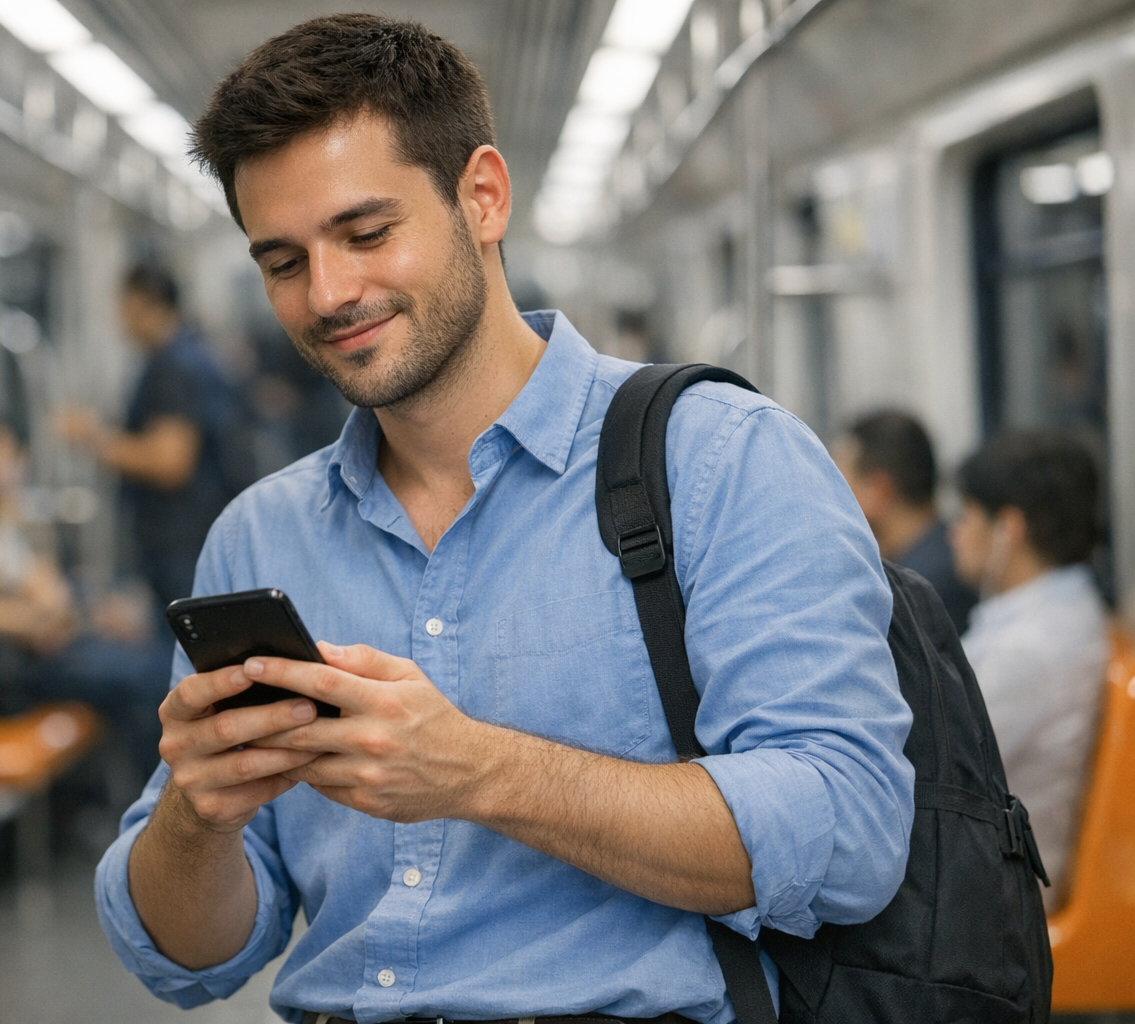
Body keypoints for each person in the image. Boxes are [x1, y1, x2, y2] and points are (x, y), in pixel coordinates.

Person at [95, 16, 913, 1024]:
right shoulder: (260, 539)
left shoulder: (722, 459)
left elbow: (849, 830)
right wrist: (196, 814)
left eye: (366, 233)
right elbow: (192, 959)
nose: (330, 293)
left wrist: (481, 771)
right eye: (283, 262)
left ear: (482, 196)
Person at [0, 415, 172, 777]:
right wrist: (44, 614)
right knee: (145, 679)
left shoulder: (1, 520)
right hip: (20, 671)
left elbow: (48, 590)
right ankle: (157, 798)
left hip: (56, 644)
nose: (16, 465)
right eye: (1, 457)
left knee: (156, 663)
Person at [949, 433, 1107, 910]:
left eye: (965, 515)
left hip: (1006, 903)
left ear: (1008, 530)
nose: (954, 532)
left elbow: (933, 763)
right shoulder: (1060, 614)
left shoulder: (1030, 648)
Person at [58, 264, 247, 609]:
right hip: (196, 531)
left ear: (144, 303)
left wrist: (90, 437)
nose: (119, 317)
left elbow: (169, 462)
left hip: (183, 539)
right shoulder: (194, 352)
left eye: (123, 304)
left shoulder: (173, 366)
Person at [833, 410, 976, 633]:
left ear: (878, 489)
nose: (831, 496)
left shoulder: (917, 589)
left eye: (839, 480)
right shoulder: (945, 557)